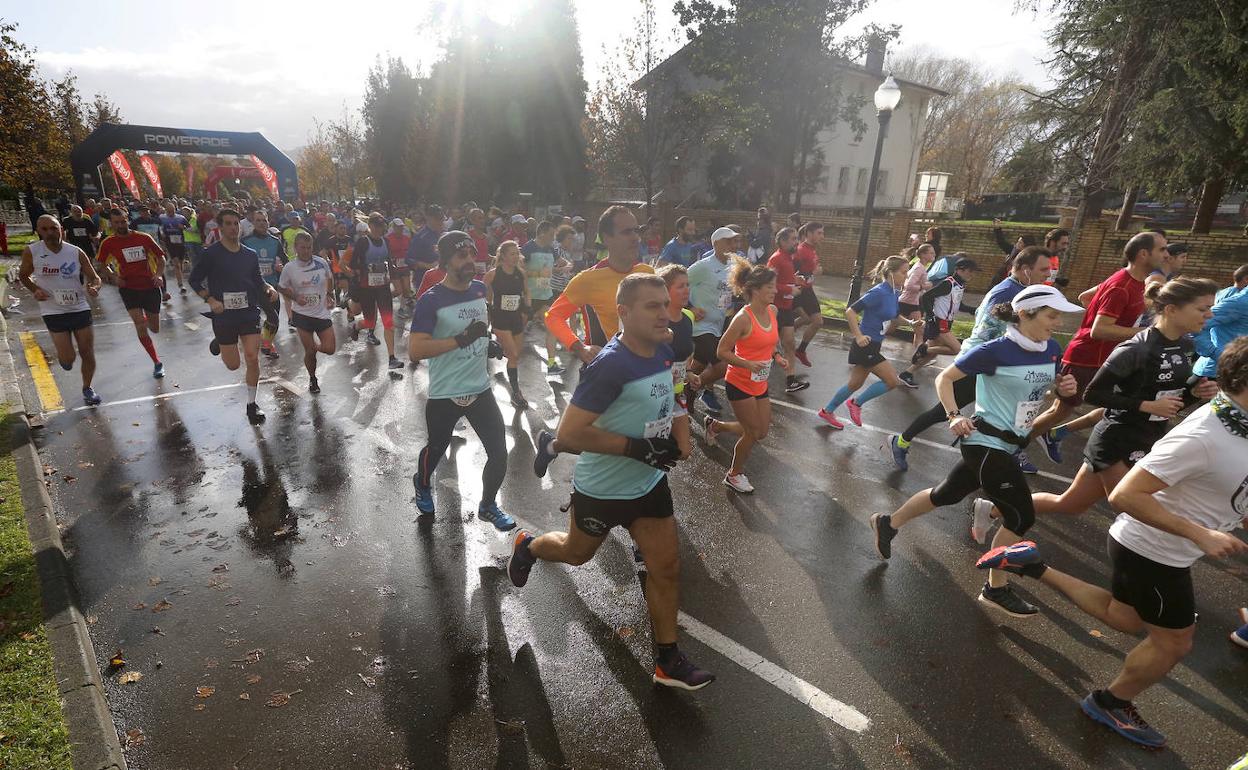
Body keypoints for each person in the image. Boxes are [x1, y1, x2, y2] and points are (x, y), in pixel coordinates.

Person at [975, 336, 1248, 748]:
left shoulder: (1237, 423)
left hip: (1164, 547)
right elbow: (1125, 496)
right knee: (1174, 642)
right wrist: (1200, 534)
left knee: (1124, 619)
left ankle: (1029, 563)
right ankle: (1110, 702)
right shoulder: (1205, 435)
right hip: (1155, 550)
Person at [507, 273, 713, 691]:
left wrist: (680, 436)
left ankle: (667, 660)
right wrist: (637, 448)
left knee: (666, 568)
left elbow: (671, 391)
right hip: (602, 490)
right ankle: (527, 545)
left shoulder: (663, 348)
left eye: (665, 304)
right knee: (575, 553)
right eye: (652, 306)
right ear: (624, 312)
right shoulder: (610, 365)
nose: (665, 313)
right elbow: (569, 435)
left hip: (649, 484)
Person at [870, 285, 1084, 618]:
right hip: (985, 443)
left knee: (947, 494)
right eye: (1051, 315)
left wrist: (1062, 387)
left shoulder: (1051, 348)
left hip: (1012, 443)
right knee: (1021, 516)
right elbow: (945, 378)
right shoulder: (995, 350)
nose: (1057, 322)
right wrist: (954, 415)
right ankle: (995, 588)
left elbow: (1046, 384)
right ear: (1026, 314)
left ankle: (887, 522)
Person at [972, 277, 1220, 542]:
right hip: (1117, 439)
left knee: (1070, 504)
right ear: (1171, 309)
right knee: (1135, 510)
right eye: (1202, 308)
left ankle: (992, 510)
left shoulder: (1185, 345)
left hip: (1148, 434)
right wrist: (1145, 405)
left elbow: (1169, 400)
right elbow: (1093, 393)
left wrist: (1193, 394)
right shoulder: (1136, 348)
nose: (1210, 314)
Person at [890, 247, 1053, 471]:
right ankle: (901, 441)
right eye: (1044, 269)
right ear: (1026, 270)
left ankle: (1009, 451)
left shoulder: (1022, 290)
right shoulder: (1006, 292)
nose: (1048, 274)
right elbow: (986, 331)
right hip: (982, 364)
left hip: (1000, 363)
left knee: (1007, 411)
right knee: (943, 412)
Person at [408, 231, 513, 530]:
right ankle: (422, 482)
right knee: (436, 448)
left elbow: (479, 328)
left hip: (479, 387)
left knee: (498, 452)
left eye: (472, 254)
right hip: (446, 392)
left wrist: (487, 343)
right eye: (461, 255)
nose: (470, 260)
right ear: (444, 261)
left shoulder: (480, 290)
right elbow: (416, 351)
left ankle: (488, 505)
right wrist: (461, 339)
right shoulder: (431, 301)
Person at [1034, 231, 1168, 463]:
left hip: (1104, 357)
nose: (1166, 255)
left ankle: (1051, 435)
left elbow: (1086, 297)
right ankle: (1012, 447)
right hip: (1086, 357)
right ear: (1143, 254)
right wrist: (1145, 334)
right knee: (1060, 410)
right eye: (1162, 250)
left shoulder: (1133, 282)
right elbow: (1099, 329)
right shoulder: (1121, 287)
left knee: (1114, 407)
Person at [189, 208, 277, 425]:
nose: (232, 227)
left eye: (236, 223)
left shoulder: (249, 254)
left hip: (248, 312)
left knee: (252, 357)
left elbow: (258, 280)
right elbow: (194, 280)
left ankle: (251, 404)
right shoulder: (211, 254)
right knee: (233, 365)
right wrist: (210, 299)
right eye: (228, 223)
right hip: (224, 315)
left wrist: (268, 288)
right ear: (220, 228)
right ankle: (221, 340)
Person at [707, 263, 785, 493]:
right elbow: (722, 351)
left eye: (775, 286)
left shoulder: (772, 311)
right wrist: (747, 363)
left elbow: (770, 342)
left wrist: (777, 356)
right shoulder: (743, 318)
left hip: (760, 381)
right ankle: (734, 474)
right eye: (770, 287)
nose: (775, 291)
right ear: (755, 289)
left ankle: (717, 426)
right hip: (739, 382)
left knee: (761, 432)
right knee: (752, 433)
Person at [545, 206, 655, 367]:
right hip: (605, 371)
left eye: (636, 231)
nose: (635, 238)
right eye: (626, 232)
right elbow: (553, 317)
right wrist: (580, 348)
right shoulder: (588, 279)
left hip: (642, 369)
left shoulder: (647, 272)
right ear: (606, 238)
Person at [18, 215, 104, 405]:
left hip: (79, 307)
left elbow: (94, 277)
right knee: (68, 358)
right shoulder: (32, 251)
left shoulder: (75, 252)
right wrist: (35, 290)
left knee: (87, 352)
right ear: (39, 231)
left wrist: (94, 287)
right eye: (45, 229)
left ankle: (87, 388)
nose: (50, 233)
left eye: (54, 228)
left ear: (61, 229)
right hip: (53, 310)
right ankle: (65, 358)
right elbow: (23, 276)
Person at [817, 256, 908, 429]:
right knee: (892, 381)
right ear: (890, 273)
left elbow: (895, 315)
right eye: (903, 272)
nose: (906, 276)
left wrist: (912, 323)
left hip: (875, 344)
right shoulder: (878, 292)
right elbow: (850, 312)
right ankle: (856, 404)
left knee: (855, 383)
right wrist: (858, 336)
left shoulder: (895, 292)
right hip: (865, 344)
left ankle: (827, 411)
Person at [96, 208, 167, 379]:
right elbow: (101, 264)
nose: (120, 225)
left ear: (127, 219)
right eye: (116, 222)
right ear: (111, 224)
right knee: (140, 326)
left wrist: (158, 275)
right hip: (128, 288)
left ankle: (144, 319)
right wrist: (113, 277)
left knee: (154, 329)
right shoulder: (108, 243)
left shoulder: (143, 238)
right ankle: (157, 363)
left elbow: (161, 257)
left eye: (123, 221)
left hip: (150, 287)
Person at [685, 227, 741, 415]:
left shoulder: (732, 266)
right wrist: (689, 307)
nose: (733, 245)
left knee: (698, 365)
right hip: (700, 326)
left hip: (718, 325)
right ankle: (690, 389)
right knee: (722, 366)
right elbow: (676, 282)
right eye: (728, 241)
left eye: (735, 241)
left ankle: (684, 396)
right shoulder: (704, 266)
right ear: (715, 244)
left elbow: (729, 293)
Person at [896, 257, 979, 384]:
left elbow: (959, 305)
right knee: (957, 349)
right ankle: (923, 349)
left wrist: (975, 310)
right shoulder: (948, 283)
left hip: (947, 322)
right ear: (959, 270)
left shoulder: (959, 285)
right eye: (970, 271)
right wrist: (930, 316)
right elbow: (926, 297)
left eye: (974, 272)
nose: (972, 274)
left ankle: (907, 373)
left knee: (933, 354)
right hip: (939, 322)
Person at [277, 231, 335, 394]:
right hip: (302, 315)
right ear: (296, 248)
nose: (306, 251)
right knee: (309, 352)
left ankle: (314, 347)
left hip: (322, 312)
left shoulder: (321, 262)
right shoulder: (289, 267)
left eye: (309, 248)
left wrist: (330, 294)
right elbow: (281, 287)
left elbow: (330, 278)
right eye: (302, 248)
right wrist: (295, 296)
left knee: (330, 349)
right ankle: (312, 378)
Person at [344, 213, 403, 370]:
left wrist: (397, 284)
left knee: (388, 323)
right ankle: (356, 327)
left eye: (381, 226)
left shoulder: (386, 242)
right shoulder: (363, 242)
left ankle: (392, 358)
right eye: (376, 226)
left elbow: (390, 263)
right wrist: (366, 269)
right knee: (370, 322)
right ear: (370, 226)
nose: (379, 229)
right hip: (366, 289)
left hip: (383, 287)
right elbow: (353, 264)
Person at [484, 240, 531, 408]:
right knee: (514, 355)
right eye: (512, 254)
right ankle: (516, 393)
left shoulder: (521, 273)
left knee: (514, 354)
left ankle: (498, 349)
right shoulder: (493, 274)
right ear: (502, 256)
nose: (515, 256)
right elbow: (483, 293)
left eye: (517, 253)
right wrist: (486, 310)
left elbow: (526, 292)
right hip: (500, 318)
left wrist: (528, 309)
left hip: (516, 317)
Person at [766, 227, 810, 393]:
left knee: (789, 344)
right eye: (792, 239)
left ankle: (791, 381)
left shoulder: (789, 258)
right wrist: (788, 289)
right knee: (766, 345)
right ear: (782, 241)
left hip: (787, 308)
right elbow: (767, 283)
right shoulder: (776, 259)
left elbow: (784, 279)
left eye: (796, 238)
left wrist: (795, 280)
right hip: (774, 308)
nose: (796, 242)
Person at [522, 221, 566, 374]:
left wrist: (564, 267)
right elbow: (518, 271)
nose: (553, 238)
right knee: (518, 332)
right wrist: (539, 273)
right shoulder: (528, 249)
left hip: (545, 298)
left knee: (552, 328)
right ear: (541, 233)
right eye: (551, 235)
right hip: (529, 297)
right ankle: (511, 361)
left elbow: (560, 264)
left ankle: (552, 364)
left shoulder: (551, 250)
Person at [242, 211, 287, 359]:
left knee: (274, 319)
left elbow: (285, 260)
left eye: (264, 220)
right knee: (271, 317)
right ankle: (267, 344)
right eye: (258, 220)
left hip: (272, 284)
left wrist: (284, 269)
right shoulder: (246, 241)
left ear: (268, 222)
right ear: (253, 223)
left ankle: (267, 342)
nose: (262, 223)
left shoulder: (275, 241)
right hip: (254, 286)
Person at [1193, 264, 1248, 381]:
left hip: (1241, 374)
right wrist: (1217, 354)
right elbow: (1197, 325)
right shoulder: (1240, 302)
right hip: (1216, 375)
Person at [894, 245, 934, 388]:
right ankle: (866, 343)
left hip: (913, 302)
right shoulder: (919, 268)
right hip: (906, 301)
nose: (934, 255)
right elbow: (909, 285)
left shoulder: (920, 266)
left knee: (919, 330)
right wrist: (925, 286)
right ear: (923, 255)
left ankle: (919, 356)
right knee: (890, 326)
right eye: (931, 253)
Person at [792, 222, 824, 366]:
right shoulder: (801, 250)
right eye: (819, 233)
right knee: (812, 320)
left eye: (822, 233)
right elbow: (792, 273)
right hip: (798, 290)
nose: (822, 236)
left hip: (808, 289)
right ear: (809, 233)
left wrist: (814, 273)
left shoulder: (812, 250)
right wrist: (812, 272)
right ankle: (781, 342)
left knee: (812, 320)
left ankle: (798, 349)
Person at [157, 202, 190, 294]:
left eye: (172, 210)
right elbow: (158, 228)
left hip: (180, 243)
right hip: (170, 243)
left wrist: (183, 227)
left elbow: (188, 227)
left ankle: (180, 279)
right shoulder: (162, 218)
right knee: (176, 264)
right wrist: (161, 236)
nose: (171, 212)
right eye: (169, 211)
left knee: (180, 263)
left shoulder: (181, 218)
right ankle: (181, 284)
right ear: (166, 210)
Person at [386, 218, 414, 316]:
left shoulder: (406, 238)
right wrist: (391, 259)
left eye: (401, 227)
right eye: (398, 227)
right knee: (398, 291)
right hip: (394, 268)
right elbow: (386, 254)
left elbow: (410, 251)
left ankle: (401, 309)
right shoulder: (388, 239)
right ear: (394, 227)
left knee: (407, 290)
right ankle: (384, 299)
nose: (400, 229)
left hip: (405, 266)